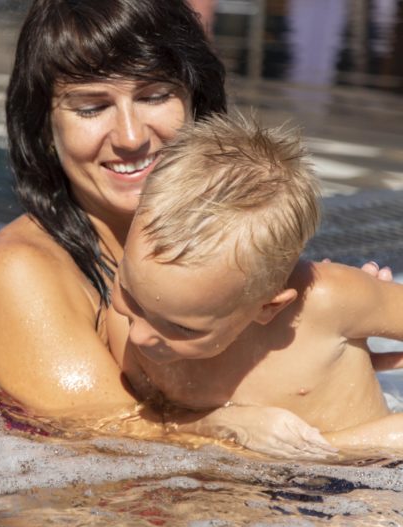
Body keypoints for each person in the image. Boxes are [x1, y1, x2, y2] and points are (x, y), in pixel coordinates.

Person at [0, 0, 393, 437]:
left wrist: (324, 359)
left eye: (154, 96)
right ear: (42, 127)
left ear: (195, 101)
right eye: (91, 107)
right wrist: (226, 427)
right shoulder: (17, 272)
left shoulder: (230, 238)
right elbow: (106, 438)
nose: (130, 137)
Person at [112, 113, 403, 457]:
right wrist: (219, 424)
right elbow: (136, 424)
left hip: (363, 483)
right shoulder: (126, 327)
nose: (139, 335)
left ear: (269, 307)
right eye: (129, 295)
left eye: (181, 327)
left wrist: (335, 448)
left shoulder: (329, 302)